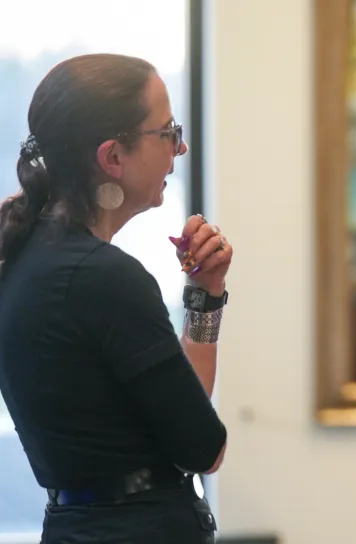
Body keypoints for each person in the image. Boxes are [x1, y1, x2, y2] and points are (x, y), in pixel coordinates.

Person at [0, 53, 232, 544]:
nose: (182, 147)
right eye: (168, 132)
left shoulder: (23, 258)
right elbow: (204, 448)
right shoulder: (105, 279)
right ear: (112, 158)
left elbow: (182, 413)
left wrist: (204, 298)